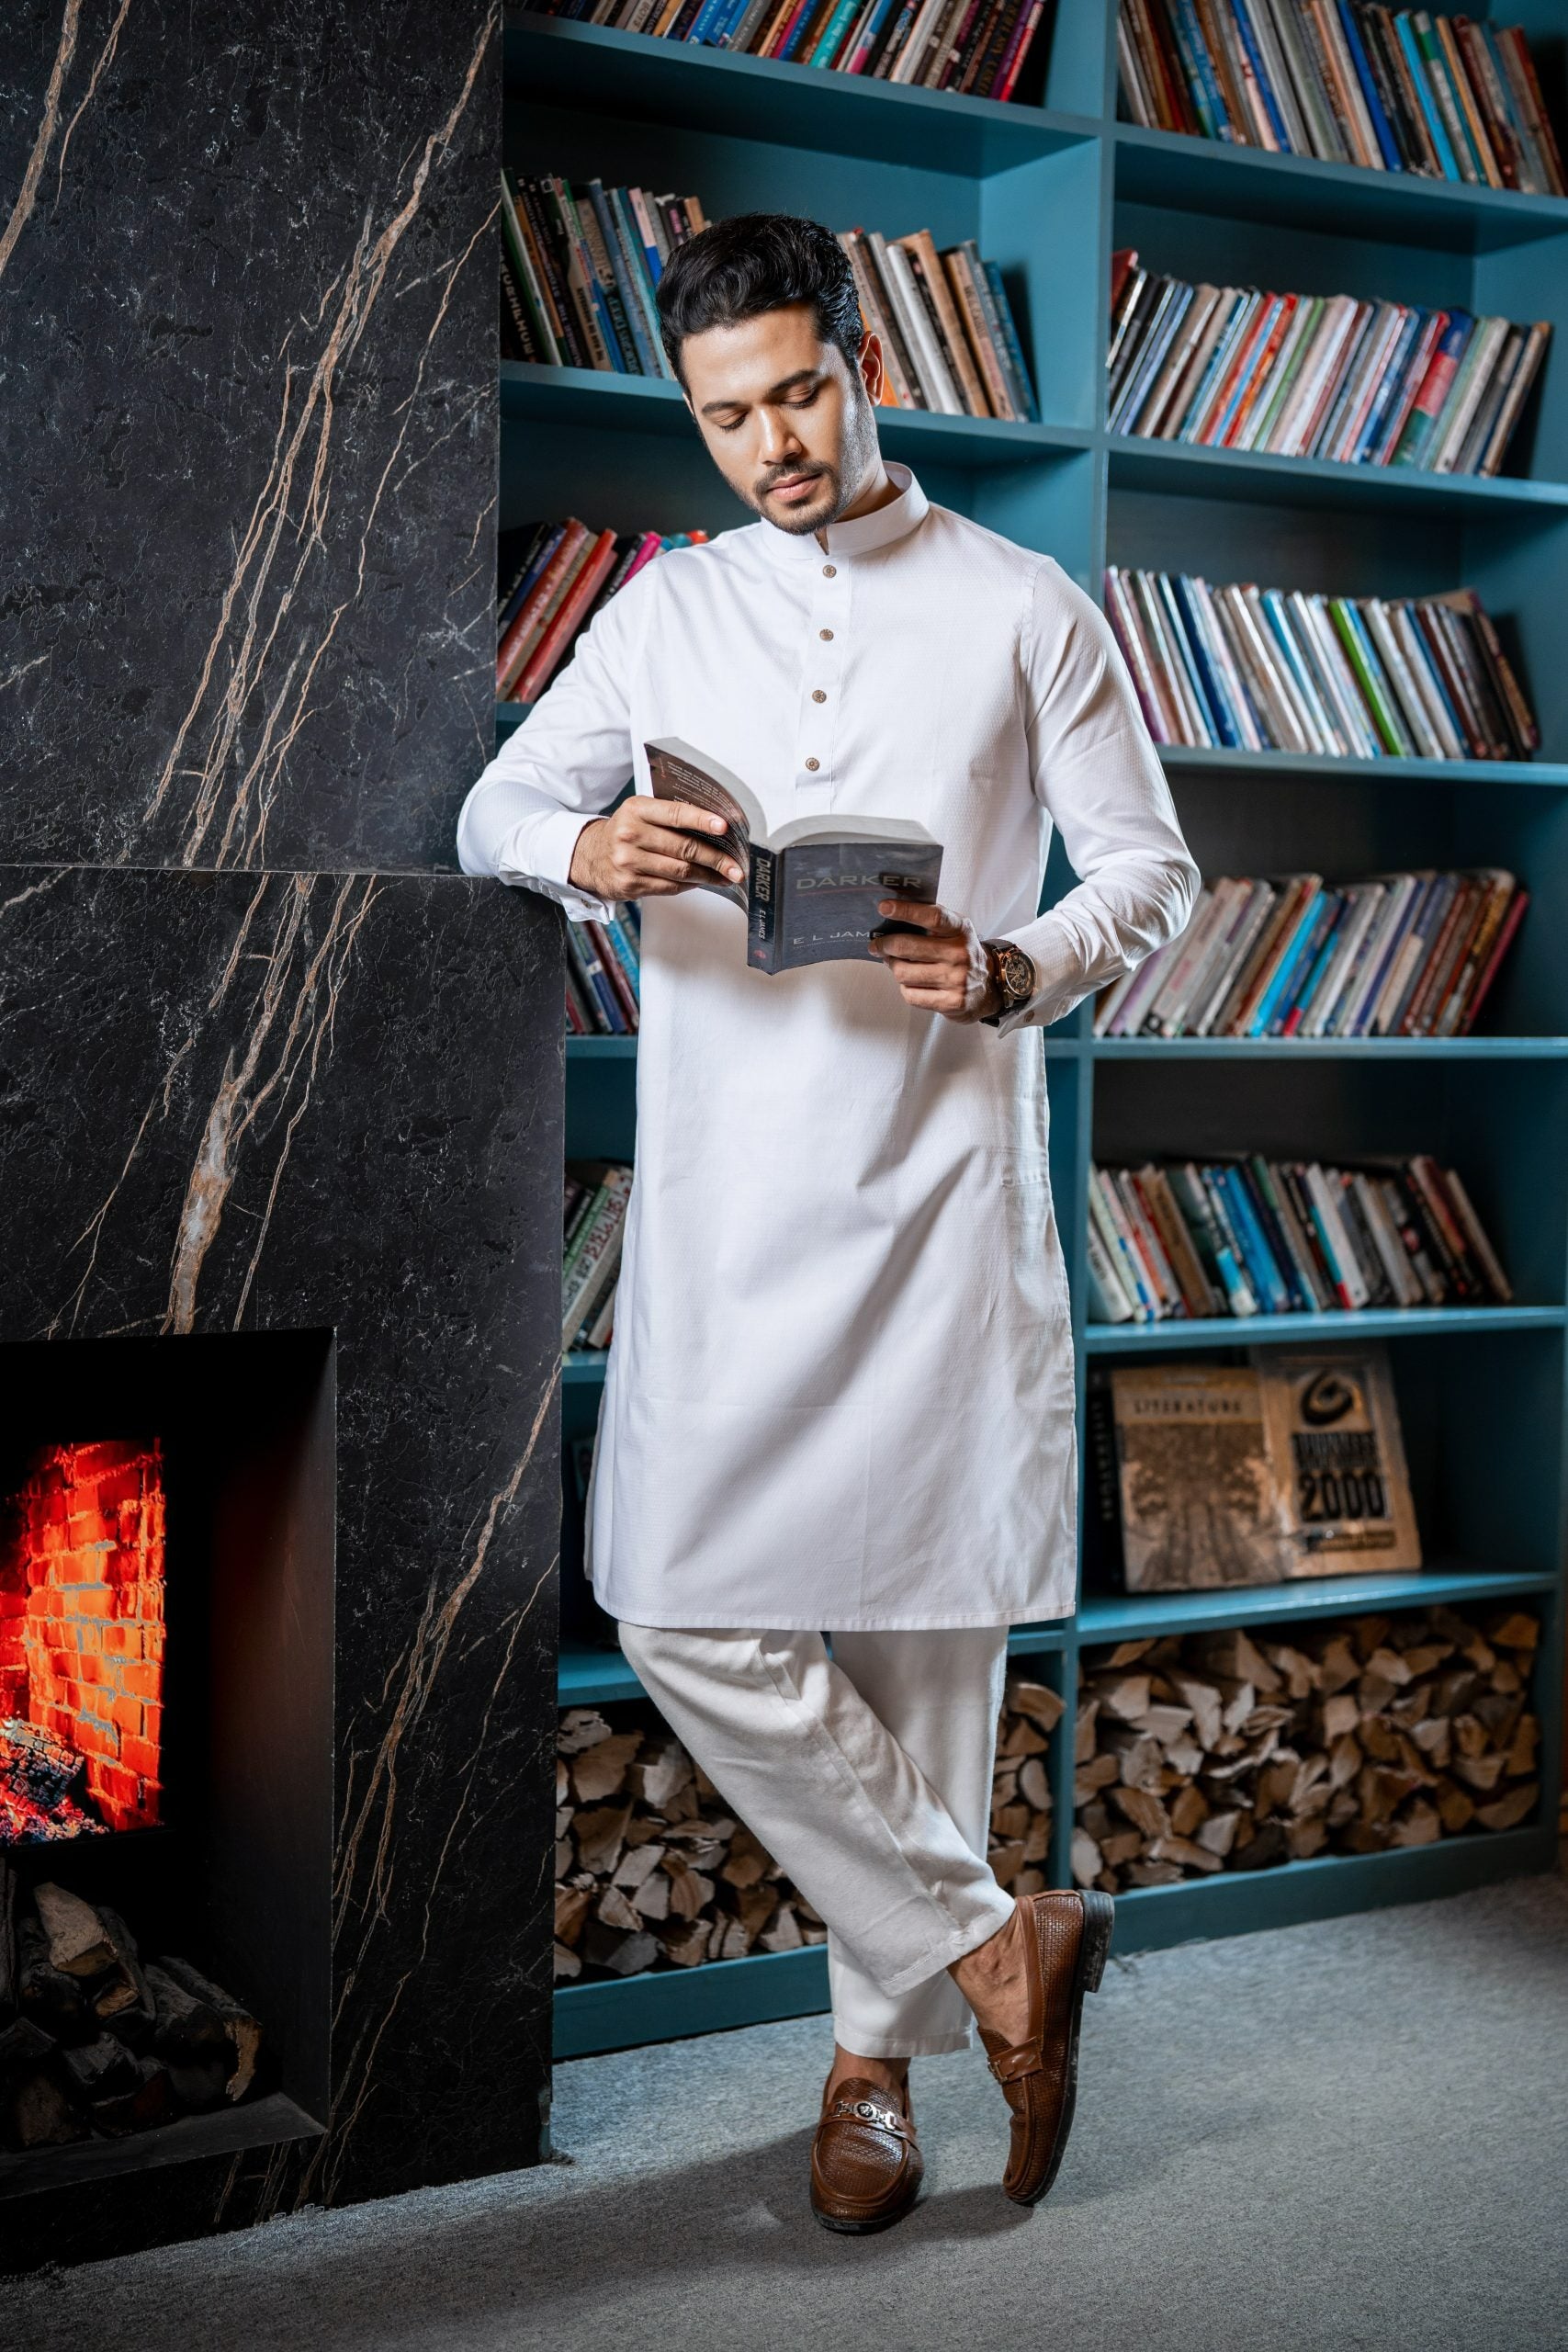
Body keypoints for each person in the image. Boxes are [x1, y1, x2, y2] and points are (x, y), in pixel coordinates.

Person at [457, 212, 1199, 2233]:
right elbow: (490, 814)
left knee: (923, 1660)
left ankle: (870, 2075)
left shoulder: (1022, 601)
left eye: (796, 390)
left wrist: (1022, 958)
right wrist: (587, 841)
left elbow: (1149, 868)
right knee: (679, 1595)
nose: (768, 442)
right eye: (723, 414)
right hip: (723, 1209)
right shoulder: (656, 620)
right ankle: (994, 1940)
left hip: (943, 1199)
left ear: (858, 362)